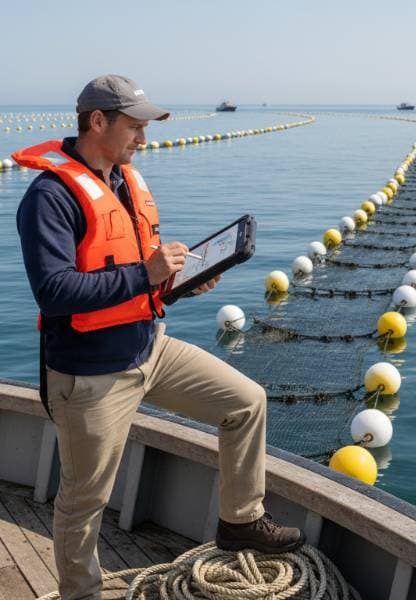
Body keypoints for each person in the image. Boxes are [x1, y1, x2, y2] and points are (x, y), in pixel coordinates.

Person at [14, 74, 303, 600]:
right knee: (84, 502)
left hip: (151, 346)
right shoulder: (49, 198)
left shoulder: (125, 183)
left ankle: (240, 520)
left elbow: (138, 282)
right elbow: (55, 292)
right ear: (97, 121)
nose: (143, 139)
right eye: (135, 126)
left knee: (246, 403)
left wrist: (180, 283)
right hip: (92, 373)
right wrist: (145, 275)